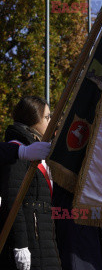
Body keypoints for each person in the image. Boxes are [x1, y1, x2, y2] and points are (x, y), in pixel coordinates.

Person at [0, 96, 61, 269]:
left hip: (44, 242)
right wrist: (20, 244)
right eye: (47, 117)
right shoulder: (18, 151)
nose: (51, 121)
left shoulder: (36, 150)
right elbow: (14, 199)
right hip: (31, 244)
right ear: (34, 120)